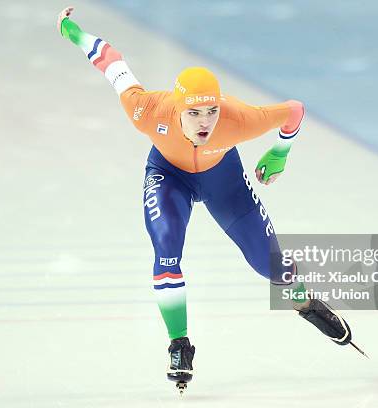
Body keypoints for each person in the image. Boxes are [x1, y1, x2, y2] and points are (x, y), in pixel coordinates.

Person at [57, 6, 356, 393]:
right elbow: (110, 61)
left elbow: (294, 112)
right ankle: (179, 344)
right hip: (169, 176)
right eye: (194, 112)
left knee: (272, 268)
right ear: (177, 108)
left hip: (223, 179)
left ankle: (304, 302)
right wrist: (72, 30)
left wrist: (279, 152)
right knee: (166, 251)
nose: (204, 122)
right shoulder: (147, 109)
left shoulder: (240, 119)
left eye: (212, 111)